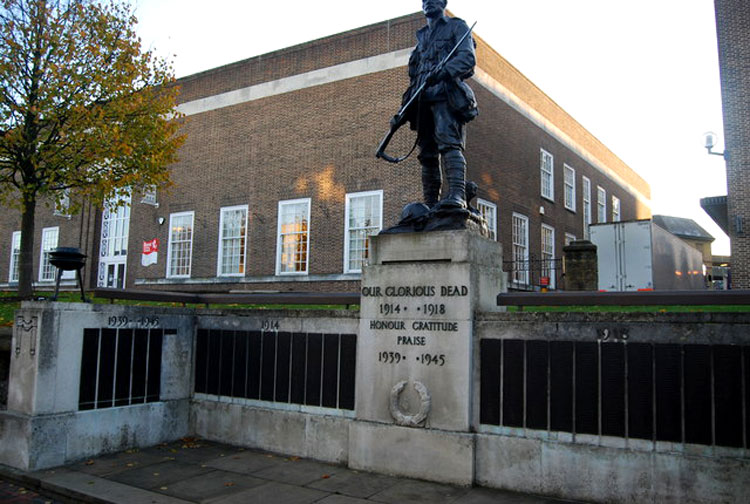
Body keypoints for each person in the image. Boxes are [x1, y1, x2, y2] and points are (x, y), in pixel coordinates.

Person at [395, 0, 478, 209]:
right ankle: (431, 205)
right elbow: (414, 78)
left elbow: (467, 58)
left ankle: (457, 195)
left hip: (446, 95)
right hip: (422, 102)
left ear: (444, 2)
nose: (429, 2)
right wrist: (402, 112)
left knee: (449, 143)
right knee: (427, 154)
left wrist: (443, 72)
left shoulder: (457, 27)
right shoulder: (421, 39)